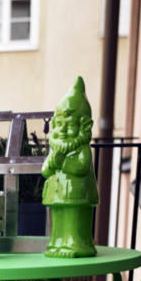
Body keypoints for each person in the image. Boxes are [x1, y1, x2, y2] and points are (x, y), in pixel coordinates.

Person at [41, 76, 99, 257]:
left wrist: (62, 163)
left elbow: (81, 167)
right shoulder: (56, 149)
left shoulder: (82, 149)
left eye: (70, 125)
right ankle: (57, 243)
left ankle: (76, 244)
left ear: (85, 126)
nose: (63, 130)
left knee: (74, 220)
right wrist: (52, 163)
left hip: (77, 195)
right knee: (57, 221)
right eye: (59, 125)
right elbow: (45, 170)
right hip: (57, 194)